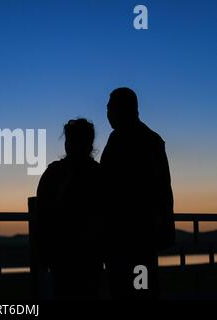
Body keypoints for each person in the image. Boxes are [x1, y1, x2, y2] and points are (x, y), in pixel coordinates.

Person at [100, 87, 175, 299]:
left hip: (132, 234)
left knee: (135, 289)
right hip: (135, 234)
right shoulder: (146, 138)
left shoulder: (131, 139)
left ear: (122, 109)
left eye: (110, 108)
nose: (107, 113)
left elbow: (159, 189)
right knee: (137, 287)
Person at [36, 118, 103, 299]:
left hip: (61, 256)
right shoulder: (99, 174)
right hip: (91, 256)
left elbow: (41, 215)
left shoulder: (54, 173)